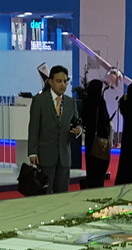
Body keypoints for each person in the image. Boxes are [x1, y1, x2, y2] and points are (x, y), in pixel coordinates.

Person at [27, 65, 82, 194]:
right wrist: (32, 152)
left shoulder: (71, 102)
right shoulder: (39, 101)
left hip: (64, 157)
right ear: (51, 82)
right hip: (45, 156)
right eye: (59, 81)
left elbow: (77, 121)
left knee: (62, 194)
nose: (63, 84)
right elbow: (34, 127)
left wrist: (79, 130)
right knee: (44, 195)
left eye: (65, 81)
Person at [80, 79, 113, 190]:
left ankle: (90, 184)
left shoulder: (86, 101)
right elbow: (105, 120)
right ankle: (97, 185)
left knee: (91, 164)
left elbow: (84, 119)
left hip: (90, 137)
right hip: (100, 138)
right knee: (100, 164)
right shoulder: (100, 102)